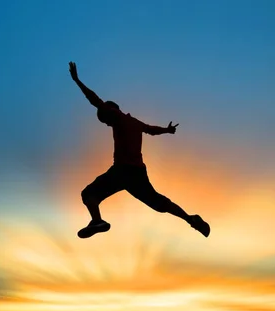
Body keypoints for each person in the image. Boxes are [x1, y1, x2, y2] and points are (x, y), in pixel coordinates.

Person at [68, 61, 210, 239]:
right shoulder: (134, 122)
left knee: (88, 193)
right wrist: (167, 130)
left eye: (105, 119)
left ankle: (97, 220)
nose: (106, 123)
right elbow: (151, 130)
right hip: (137, 174)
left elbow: (95, 100)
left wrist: (77, 80)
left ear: (111, 110)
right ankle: (191, 219)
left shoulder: (116, 115)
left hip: (121, 172)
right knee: (159, 203)